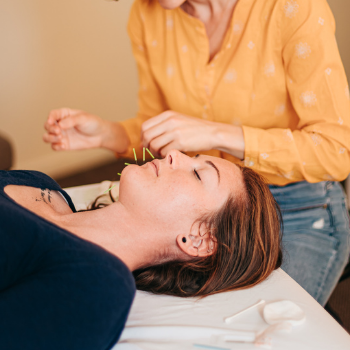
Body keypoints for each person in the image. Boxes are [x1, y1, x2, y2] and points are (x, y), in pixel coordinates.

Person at [42, 0, 350, 307]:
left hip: (298, 209)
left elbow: (337, 150)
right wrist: (109, 133)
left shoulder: (292, 8)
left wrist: (215, 132)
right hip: (194, 211)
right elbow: (160, 128)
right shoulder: (147, 13)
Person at [0, 150, 282, 350]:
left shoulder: (99, 284)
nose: (174, 153)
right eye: (192, 157)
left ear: (197, 239)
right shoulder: (41, 183)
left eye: (198, 174)